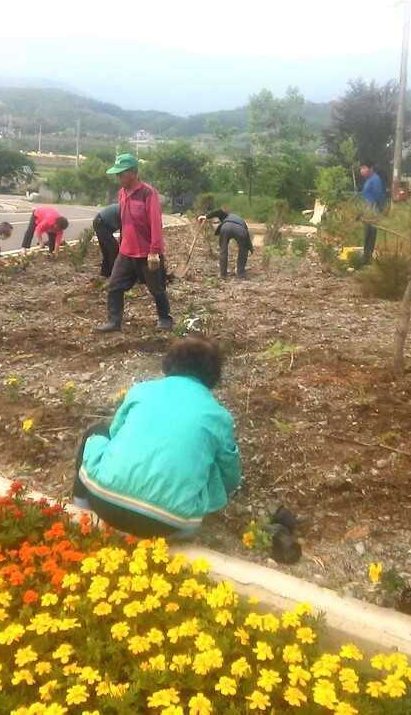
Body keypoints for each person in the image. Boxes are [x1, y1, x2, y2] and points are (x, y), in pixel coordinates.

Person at [72, 336, 241, 538]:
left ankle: (81, 503)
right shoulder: (218, 415)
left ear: (169, 363)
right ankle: (177, 522)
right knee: (210, 464)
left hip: (104, 501)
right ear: (213, 375)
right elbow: (230, 474)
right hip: (170, 524)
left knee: (97, 432)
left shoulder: (141, 390)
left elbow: (115, 433)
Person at [95, 153, 173, 332]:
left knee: (157, 288)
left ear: (133, 172)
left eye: (121, 173)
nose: (118, 177)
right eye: (117, 174)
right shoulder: (122, 193)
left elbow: (155, 223)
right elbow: (124, 223)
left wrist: (154, 252)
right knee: (114, 286)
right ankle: (114, 322)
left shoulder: (147, 193)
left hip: (147, 252)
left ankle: (165, 319)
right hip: (126, 252)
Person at [198, 209, 253, 279]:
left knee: (223, 250)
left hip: (226, 227)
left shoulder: (226, 216)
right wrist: (249, 248)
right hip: (240, 230)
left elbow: (219, 212)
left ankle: (223, 274)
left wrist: (206, 217)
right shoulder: (240, 221)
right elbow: (247, 241)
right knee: (243, 251)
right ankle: (240, 273)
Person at [359, 161, 385, 264]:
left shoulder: (375, 180)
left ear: (370, 169)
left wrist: (379, 208)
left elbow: (378, 194)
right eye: (361, 168)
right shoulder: (368, 180)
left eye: (364, 168)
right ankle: (366, 257)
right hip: (366, 210)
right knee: (367, 234)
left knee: (371, 234)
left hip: (372, 209)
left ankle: (367, 258)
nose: (362, 170)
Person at [92, 203, 121, 278]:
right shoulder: (124, 211)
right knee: (113, 249)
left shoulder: (125, 209)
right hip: (101, 223)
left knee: (107, 250)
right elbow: (124, 231)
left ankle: (105, 273)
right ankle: (115, 274)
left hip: (102, 223)